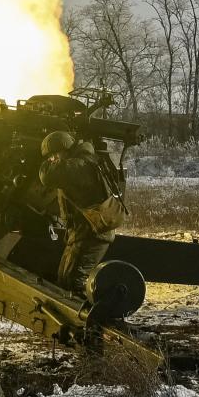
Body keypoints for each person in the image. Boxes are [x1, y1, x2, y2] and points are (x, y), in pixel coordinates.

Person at [37, 130, 126, 304]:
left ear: (66, 149)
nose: (53, 159)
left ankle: (88, 325)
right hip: (84, 232)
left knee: (73, 283)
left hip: (92, 234)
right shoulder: (83, 161)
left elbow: (48, 176)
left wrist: (45, 164)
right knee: (64, 281)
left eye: (55, 154)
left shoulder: (80, 165)